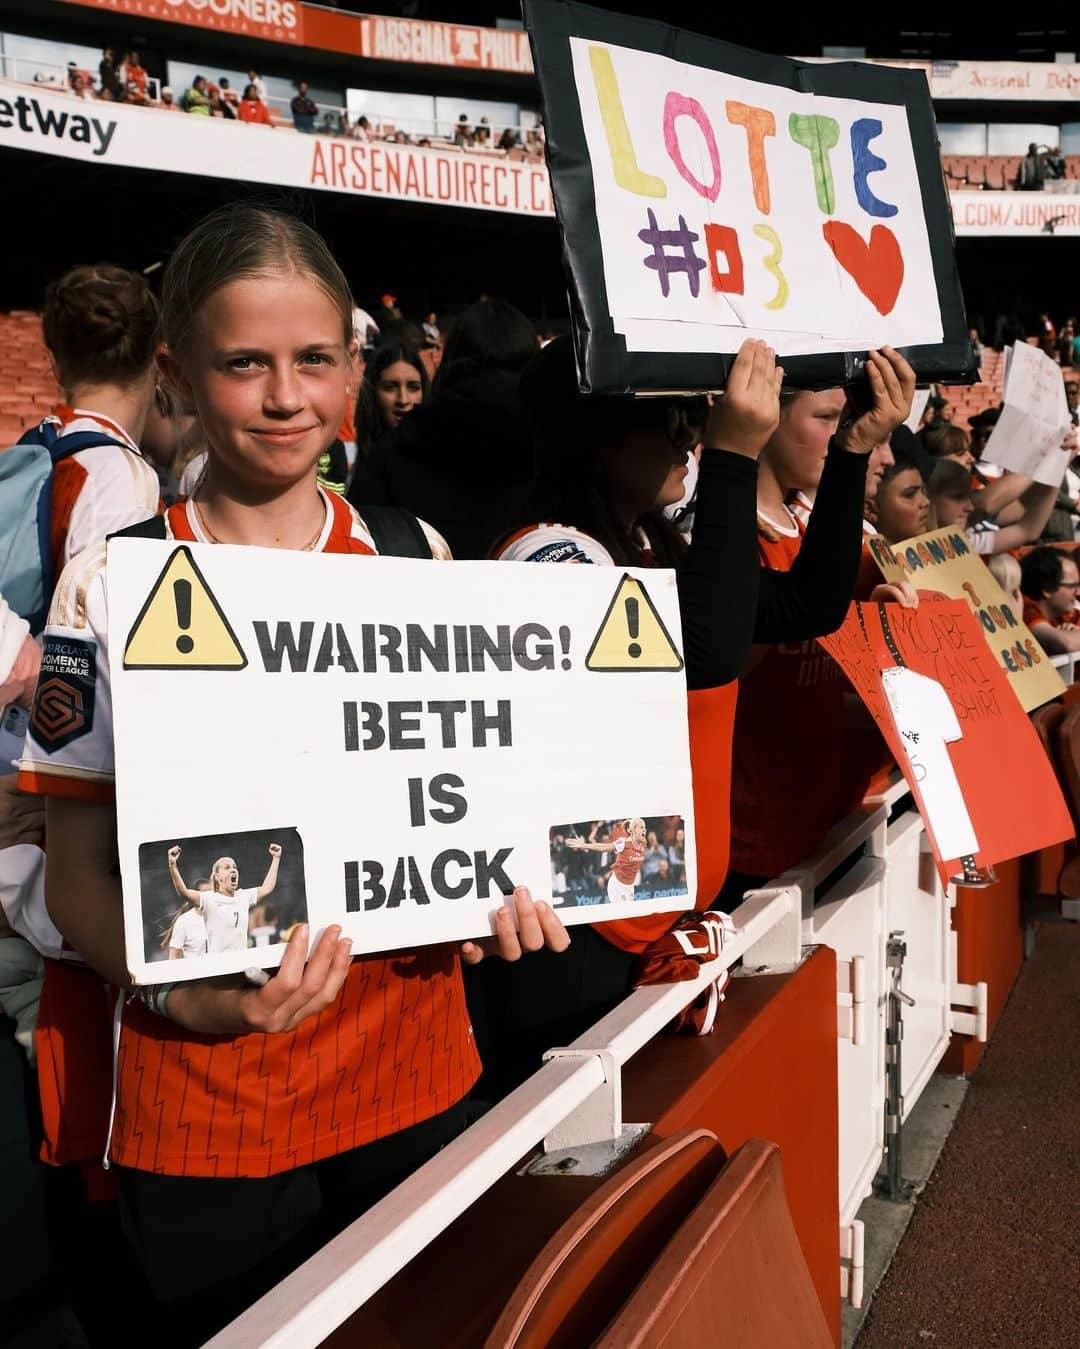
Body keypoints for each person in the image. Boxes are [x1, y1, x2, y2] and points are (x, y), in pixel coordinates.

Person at [18, 204, 568, 1340]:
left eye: (316, 360)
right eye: (244, 364)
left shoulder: (421, 558)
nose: (286, 397)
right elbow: (72, 873)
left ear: (358, 366)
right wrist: (192, 996)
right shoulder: (106, 585)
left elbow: (464, 800)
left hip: (417, 1065)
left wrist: (494, 897)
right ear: (175, 370)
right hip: (207, 1095)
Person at [347, 300, 537, 559]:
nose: (403, 399)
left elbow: (359, 542)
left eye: (412, 387)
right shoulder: (561, 446)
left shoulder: (397, 447)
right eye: (390, 387)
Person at [32, 264, 161, 573]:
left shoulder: (41, 442)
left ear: (55, 364)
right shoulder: (119, 475)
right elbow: (105, 616)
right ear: (157, 362)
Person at [925, 456, 1059, 554]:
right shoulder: (908, 546)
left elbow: (1027, 531)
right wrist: (1044, 460)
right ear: (927, 497)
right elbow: (985, 505)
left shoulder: (963, 542)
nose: (969, 507)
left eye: (968, 497)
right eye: (957, 497)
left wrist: (1059, 464)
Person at [167, 845, 281, 955]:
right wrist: (173, 865)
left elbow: (267, 888)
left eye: (234, 867)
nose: (233, 870)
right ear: (217, 877)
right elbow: (184, 892)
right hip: (218, 967)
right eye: (227, 867)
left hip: (241, 964)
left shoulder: (243, 896)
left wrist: (276, 858)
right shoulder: (209, 898)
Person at [567, 818, 647, 904]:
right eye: (641, 827)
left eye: (644, 827)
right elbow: (604, 847)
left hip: (630, 886)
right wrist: (584, 845)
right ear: (633, 830)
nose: (644, 830)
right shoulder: (623, 843)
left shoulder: (644, 843)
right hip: (618, 885)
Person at [1020, 546, 1080, 654]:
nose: (1078, 592)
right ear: (1047, 589)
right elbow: (1066, 643)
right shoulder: (1025, 611)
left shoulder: (1064, 613)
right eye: (1072, 586)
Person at [164, 880, 210, 960]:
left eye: (212, 893)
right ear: (194, 896)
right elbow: (174, 956)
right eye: (205, 894)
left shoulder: (221, 917)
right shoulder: (184, 921)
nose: (209, 897)